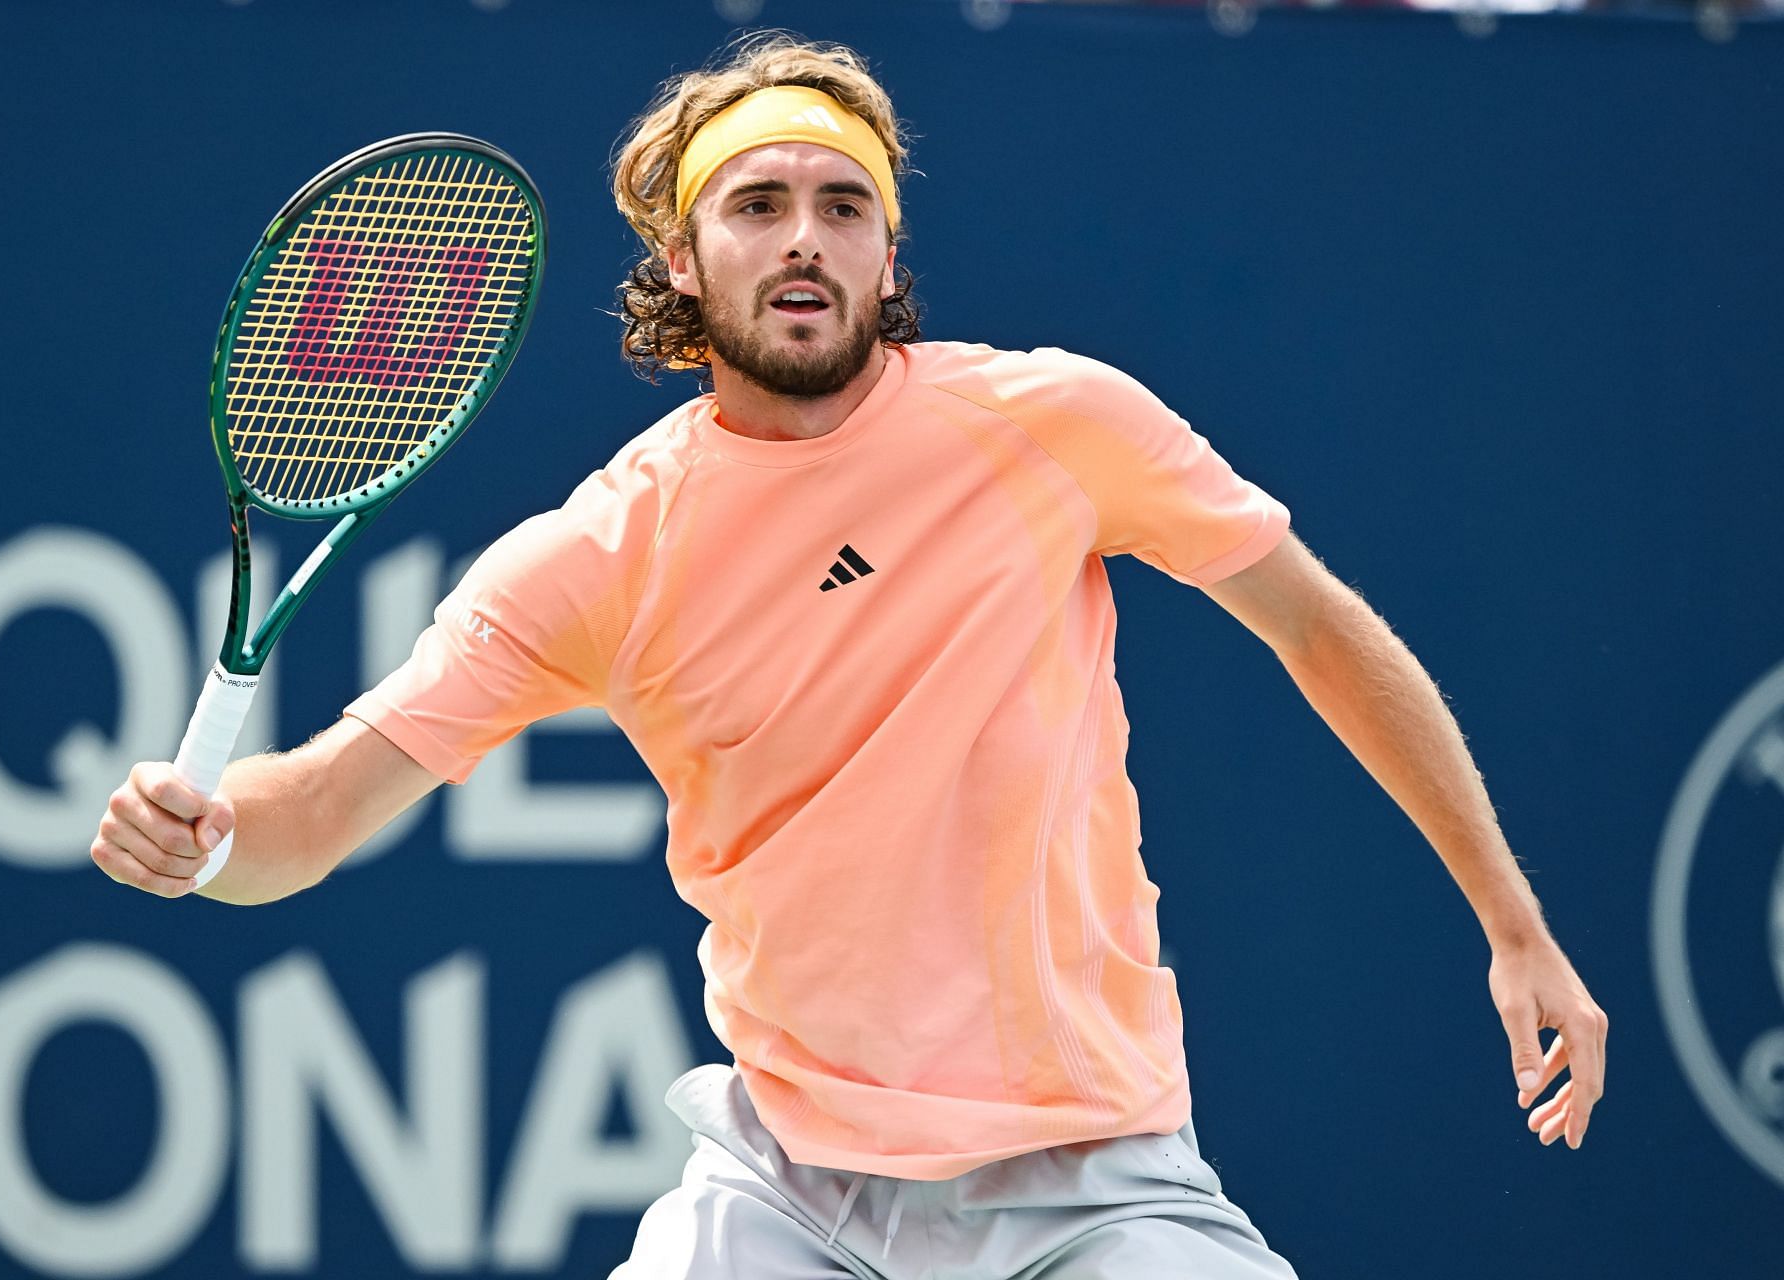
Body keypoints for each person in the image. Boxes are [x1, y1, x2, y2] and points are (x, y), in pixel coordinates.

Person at [92, 34, 1608, 1278]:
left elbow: (1319, 628)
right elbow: (325, 805)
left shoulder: (1053, 425)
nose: (803, 237)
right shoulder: (599, 553)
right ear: (683, 263)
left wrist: (1513, 920)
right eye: (756, 206)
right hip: (786, 1193)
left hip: (1095, 1176)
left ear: (889, 257)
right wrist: (211, 840)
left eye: (842, 204)